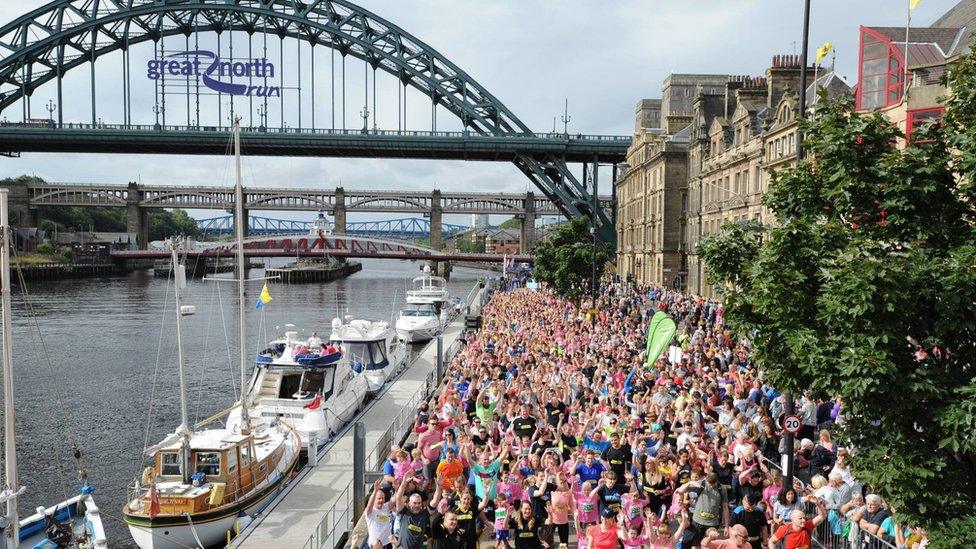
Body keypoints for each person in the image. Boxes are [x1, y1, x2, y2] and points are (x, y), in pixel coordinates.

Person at [391, 470, 433, 549]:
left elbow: (431, 503)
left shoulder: (423, 514)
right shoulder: (405, 512)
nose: (417, 505)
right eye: (414, 503)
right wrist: (403, 483)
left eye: (418, 503)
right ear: (409, 503)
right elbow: (398, 498)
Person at [365, 480, 393, 549]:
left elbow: (394, 500)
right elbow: (369, 505)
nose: (381, 500)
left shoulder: (386, 507)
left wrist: (397, 488)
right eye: (379, 498)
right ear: (374, 499)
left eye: (383, 498)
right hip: (375, 545)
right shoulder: (370, 511)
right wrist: (375, 491)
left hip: (387, 543)